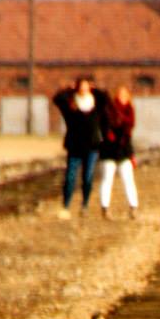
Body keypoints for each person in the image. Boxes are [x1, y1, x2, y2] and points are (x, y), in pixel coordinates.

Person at [51, 76, 105, 219]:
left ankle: (84, 205)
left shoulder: (96, 104)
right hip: (74, 146)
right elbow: (57, 99)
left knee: (87, 177)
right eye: (81, 86)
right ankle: (66, 206)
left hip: (92, 146)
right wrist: (69, 88)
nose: (83, 89)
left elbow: (105, 97)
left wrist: (95, 88)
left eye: (86, 86)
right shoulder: (70, 105)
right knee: (70, 177)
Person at [97, 85, 138, 220]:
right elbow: (105, 128)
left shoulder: (129, 112)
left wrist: (131, 154)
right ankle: (105, 208)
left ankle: (133, 207)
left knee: (128, 179)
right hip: (109, 150)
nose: (122, 97)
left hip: (124, 151)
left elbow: (128, 135)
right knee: (107, 179)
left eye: (124, 95)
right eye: (120, 95)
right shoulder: (108, 112)